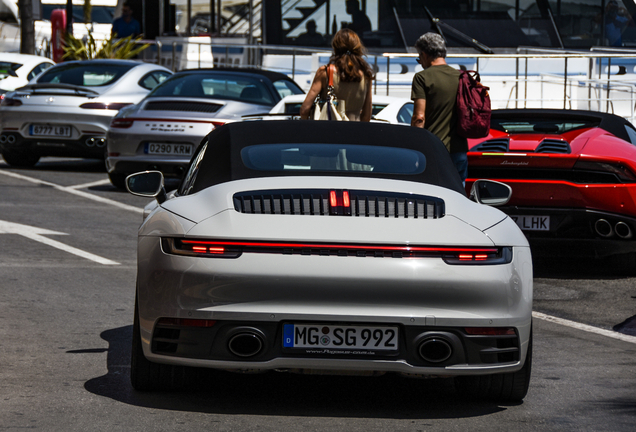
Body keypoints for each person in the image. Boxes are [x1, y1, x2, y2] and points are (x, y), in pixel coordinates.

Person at [411, 32, 468, 184]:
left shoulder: (422, 77)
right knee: (460, 194)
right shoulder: (461, 77)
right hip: (460, 150)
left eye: (419, 57)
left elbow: (419, 117)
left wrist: (414, 146)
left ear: (424, 54)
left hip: (434, 150)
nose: (420, 62)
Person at [300, 28, 373, 122]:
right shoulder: (366, 75)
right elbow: (366, 116)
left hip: (329, 131)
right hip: (355, 132)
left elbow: (305, 109)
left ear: (335, 47)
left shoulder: (325, 72)